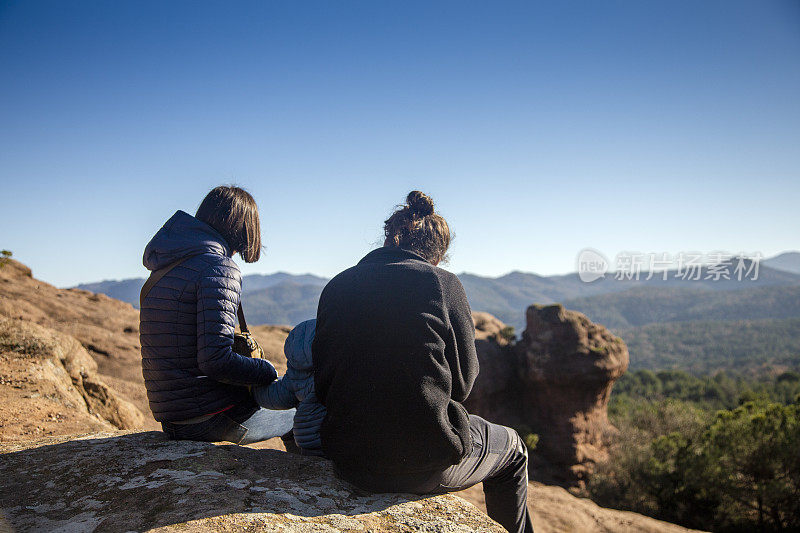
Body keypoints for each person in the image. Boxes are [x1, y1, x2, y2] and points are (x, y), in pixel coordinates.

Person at [313, 191, 534, 533]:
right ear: (438, 254)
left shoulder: (337, 285)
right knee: (515, 449)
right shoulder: (442, 283)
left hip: (348, 460)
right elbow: (462, 384)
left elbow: (324, 382)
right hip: (423, 462)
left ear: (389, 237)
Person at [139, 185, 295, 445]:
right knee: (306, 413)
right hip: (209, 418)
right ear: (245, 227)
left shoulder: (168, 265)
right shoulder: (220, 268)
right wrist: (266, 370)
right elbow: (215, 360)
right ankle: (307, 482)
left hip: (174, 418)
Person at [254, 319, 326, 456]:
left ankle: (295, 459)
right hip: (333, 438)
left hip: (308, 440)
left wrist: (254, 389)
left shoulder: (297, 373)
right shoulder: (337, 366)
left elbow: (274, 396)